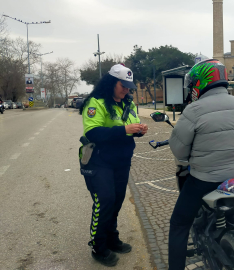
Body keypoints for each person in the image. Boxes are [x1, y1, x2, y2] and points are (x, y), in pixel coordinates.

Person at [168, 59, 234, 270]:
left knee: (179, 224)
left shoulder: (194, 110)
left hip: (205, 180)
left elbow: (179, 151)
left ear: (199, 83)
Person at [78, 64, 148, 267]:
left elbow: (130, 128)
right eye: (122, 85)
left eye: (129, 86)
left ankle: (111, 238)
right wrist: (124, 129)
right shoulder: (96, 102)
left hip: (121, 161)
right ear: (111, 82)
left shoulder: (128, 104)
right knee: (105, 200)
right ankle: (98, 246)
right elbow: (93, 133)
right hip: (99, 160)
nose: (126, 89)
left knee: (117, 200)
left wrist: (139, 129)